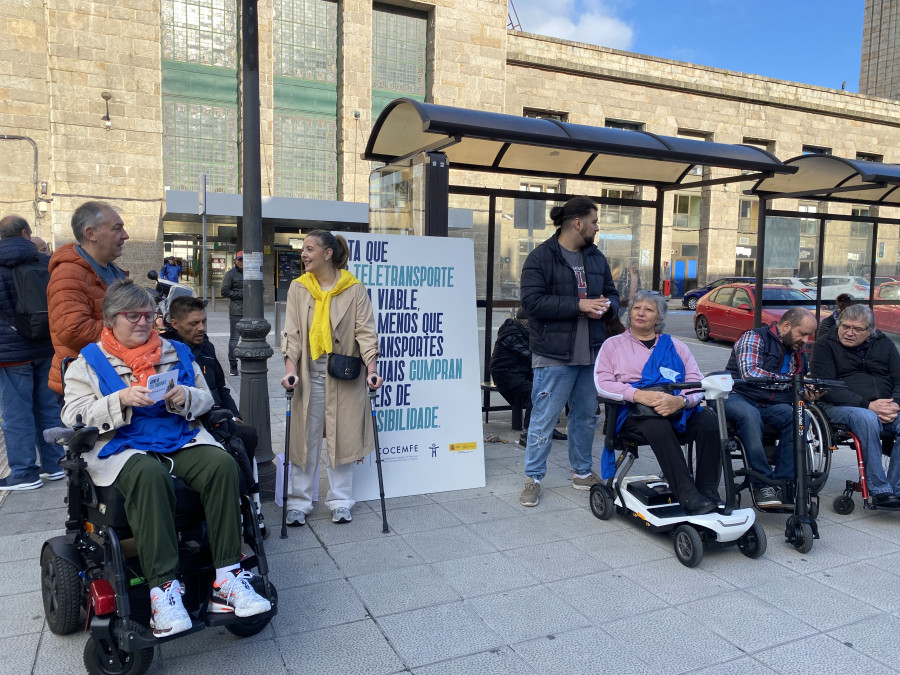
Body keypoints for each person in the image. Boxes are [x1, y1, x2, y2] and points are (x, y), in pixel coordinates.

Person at [61, 279, 271, 637]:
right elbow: (73, 415)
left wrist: (184, 397)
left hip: (178, 436)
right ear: (111, 320)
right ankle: (163, 591)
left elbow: (207, 400)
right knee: (148, 475)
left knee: (222, 464)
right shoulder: (87, 364)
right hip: (123, 445)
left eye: (148, 315)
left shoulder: (175, 351)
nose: (144, 322)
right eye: (133, 316)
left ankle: (227, 578)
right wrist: (122, 399)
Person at [518, 196, 620, 507]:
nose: (597, 227)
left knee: (586, 417)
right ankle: (533, 478)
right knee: (544, 418)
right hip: (552, 356)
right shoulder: (540, 257)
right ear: (578, 223)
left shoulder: (596, 258)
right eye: (594, 221)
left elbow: (614, 297)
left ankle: (581, 473)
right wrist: (579, 305)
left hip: (591, 354)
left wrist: (605, 308)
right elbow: (531, 304)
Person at [280, 230, 383, 526]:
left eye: (309, 249)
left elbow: (365, 332)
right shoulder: (299, 288)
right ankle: (299, 502)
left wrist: (372, 369)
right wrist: (290, 370)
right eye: (303, 249)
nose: (303, 254)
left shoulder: (354, 289)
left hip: (343, 372)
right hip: (308, 373)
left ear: (327, 254)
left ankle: (340, 500)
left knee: (342, 438)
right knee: (304, 438)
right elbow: (292, 333)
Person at [594, 290, 721, 514]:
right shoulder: (613, 345)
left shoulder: (676, 346)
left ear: (659, 318)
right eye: (636, 308)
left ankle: (708, 490)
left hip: (675, 410)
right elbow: (602, 383)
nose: (641, 313)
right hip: (633, 414)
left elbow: (696, 381)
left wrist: (681, 401)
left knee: (709, 423)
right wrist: (638, 395)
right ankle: (687, 495)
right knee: (657, 424)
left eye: (648, 309)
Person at [724, 307, 818, 509]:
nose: (806, 340)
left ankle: (782, 482)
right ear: (786, 326)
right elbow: (750, 373)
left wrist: (807, 392)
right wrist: (793, 381)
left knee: (800, 417)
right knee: (750, 416)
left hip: (772, 404)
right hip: (739, 395)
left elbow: (797, 385)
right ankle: (762, 484)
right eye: (803, 333)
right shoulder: (754, 337)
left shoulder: (797, 352)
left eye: (809, 335)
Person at [811, 304, 900, 507]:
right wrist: (868, 405)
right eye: (845, 326)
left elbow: (899, 378)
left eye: (857, 329)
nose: (849, 332)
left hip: (885, 406)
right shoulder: (825, 345)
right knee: (866, 418)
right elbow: (827, 387)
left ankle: (896, 489)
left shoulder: (884, 343)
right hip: (840, 406)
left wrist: (895, 405)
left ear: (870, 331)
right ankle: (879, 490)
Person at [0, 215, 65, 490]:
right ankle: (55, 464)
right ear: (26, 233)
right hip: (45, 346)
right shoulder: (45, 263)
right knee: (49, 407)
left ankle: (25, 472)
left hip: (11, 352)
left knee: (17, 413)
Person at [163, 295, 259, 461]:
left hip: (216, 414)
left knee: (248, 434)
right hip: (186, 420)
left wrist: (236, 415)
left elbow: (221, 388)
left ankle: (247, 485)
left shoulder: (207, 347)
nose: (201, 328)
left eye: (203, 322)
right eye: (194, 323)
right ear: (175, 324)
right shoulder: (165, 351)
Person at [47, 201, 128, 395]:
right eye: (117, 229)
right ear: (91, 234)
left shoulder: (111, 269)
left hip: (108, 375)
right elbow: (73, 330)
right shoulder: (68, 273)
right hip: (86, 383)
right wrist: (130, 328)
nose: (125, 236)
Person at [489, 308, 566, 446]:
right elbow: (531, 356)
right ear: (527, 321)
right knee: (536, 394)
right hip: (506, 375)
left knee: (549, 389)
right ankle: (527, 433)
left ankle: (547, 428)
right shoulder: (512, 334)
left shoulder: (522, 330)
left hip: (518, 373)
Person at [220, 251, 243, 376]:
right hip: (236, 311)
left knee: (249, 339)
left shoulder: (252, 273)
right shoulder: (230, 274)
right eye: (240, 260)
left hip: (251, 311)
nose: (243, 263)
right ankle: (233, 365)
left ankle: (247, 363)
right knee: (234, 339)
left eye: (245, 260)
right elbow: (224, 291)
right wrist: (242, 295)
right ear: (235, 261)